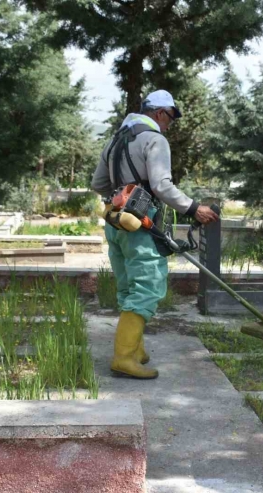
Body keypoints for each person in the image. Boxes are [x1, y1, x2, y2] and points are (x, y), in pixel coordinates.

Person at [91, 90, 219, 379]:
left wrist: (123, 192)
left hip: (117, 223)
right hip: (142, 225)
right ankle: (124, 358)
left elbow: (98, 183)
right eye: (170, 117)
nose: (170, 124)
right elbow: (161, 186)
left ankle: (136, 350)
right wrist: (194, 208)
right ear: (160, 113)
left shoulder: (115, 140)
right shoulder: (154, 139)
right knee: (147, 287)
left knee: (127, 287)